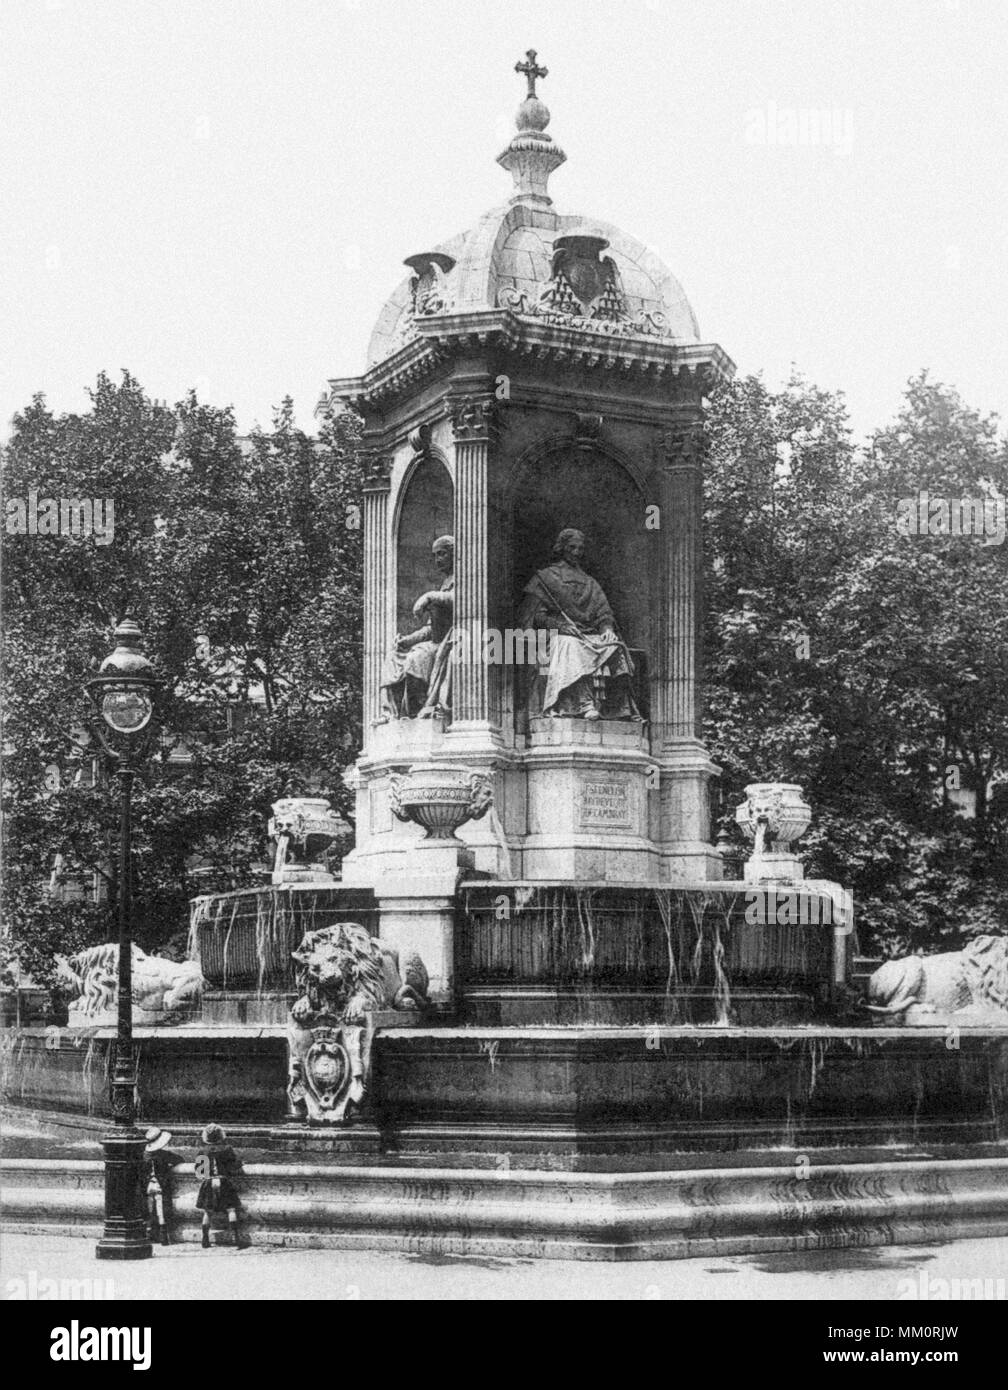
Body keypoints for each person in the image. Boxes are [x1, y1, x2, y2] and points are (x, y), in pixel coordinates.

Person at [518, 528, 638, 720]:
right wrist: (560, 626)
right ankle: (584, 703)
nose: (576, 552)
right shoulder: (546, 577)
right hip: (556, 636)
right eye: (572, 547)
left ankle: (620, 709)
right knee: (569, 645)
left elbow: (603, 612)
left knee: (615, 647)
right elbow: (535, 616)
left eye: (580, 548)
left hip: (588, 634)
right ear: (562, 548)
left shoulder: (590, 582)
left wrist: (607, 629)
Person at [380, 535, 454, 719]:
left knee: (417, 657)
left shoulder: (464, 579)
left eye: (442, 554)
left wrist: (430, 596)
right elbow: (430, 628)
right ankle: (392, 713)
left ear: (454, 554)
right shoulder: (444, 583)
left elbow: (458, 600)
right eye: (435, 555)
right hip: (436, 641)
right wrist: (407, 640)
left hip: (451, 640)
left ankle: (418, 710)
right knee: (394, 656)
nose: (438, 560)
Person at [195, 1123, 245, 1249]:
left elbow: (200, 1172)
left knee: (208, 1212)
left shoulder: (203, 1151)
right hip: (223, 1181)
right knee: (231, 1209)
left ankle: (205, 1239)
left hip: (208, 1182)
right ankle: (236, 1239)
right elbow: (234, 1166)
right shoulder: (226, 1149)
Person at [143, 1126, 184, 1247]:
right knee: (161, 1212)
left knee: (150, 1211)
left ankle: (148, 1234)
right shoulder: (164, 1154)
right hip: (159, 1186)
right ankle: (164, 1237)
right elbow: (179, 1159)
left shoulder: (143, 1155)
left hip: (148, 1186)